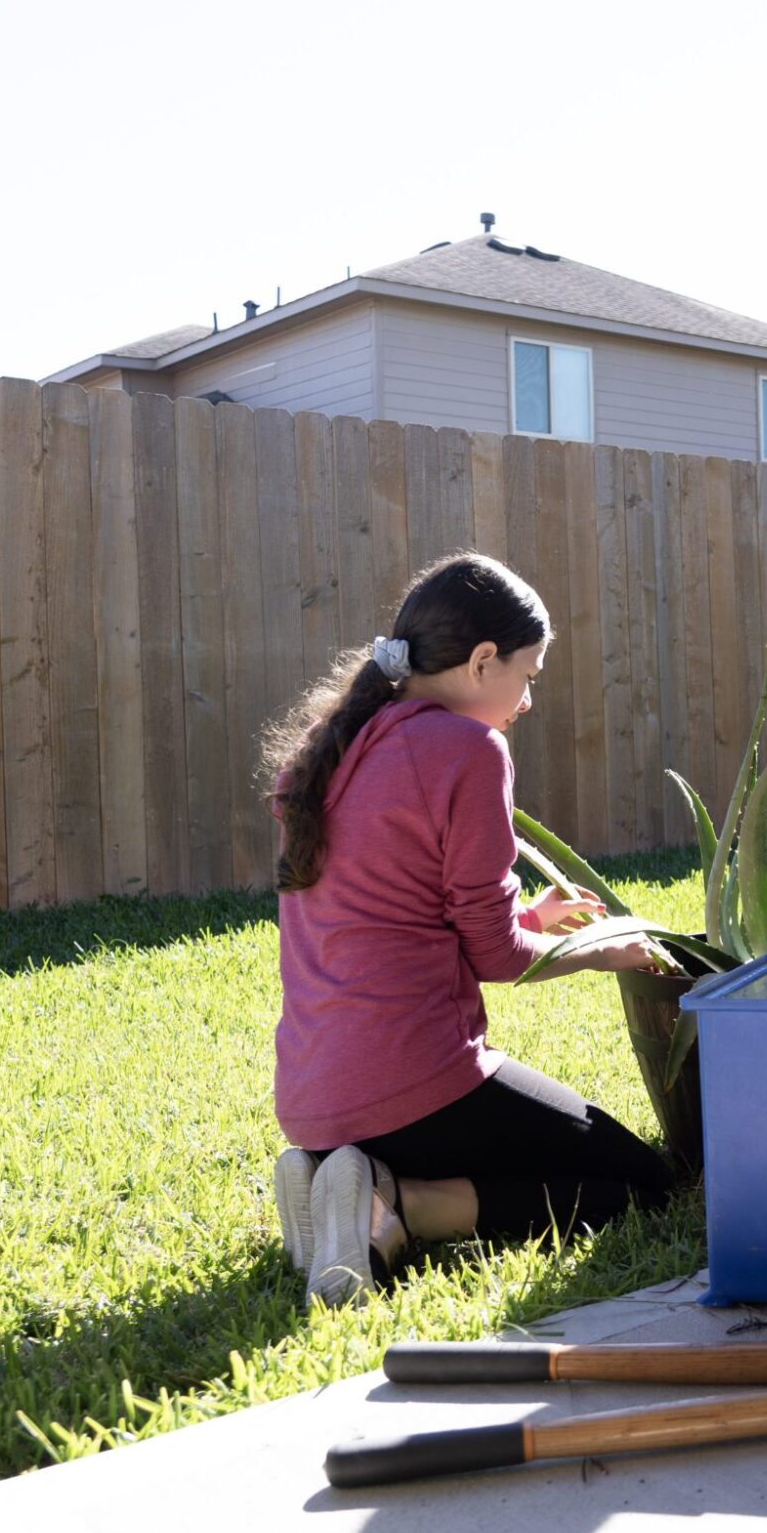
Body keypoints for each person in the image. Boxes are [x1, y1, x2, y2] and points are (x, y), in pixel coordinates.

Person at [264, 552, 671, 1306]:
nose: (525, 700)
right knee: (640, 1183)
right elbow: (493, 956)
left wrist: (529, 914)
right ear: (484, 661)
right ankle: (397, 1202)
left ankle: (327, 1175)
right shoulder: (468, 749)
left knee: (552, 1155)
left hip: (313, 1096)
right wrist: (594, 950)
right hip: (413, 1089)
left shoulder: (334, 747)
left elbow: (397, 912)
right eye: (529, 674)